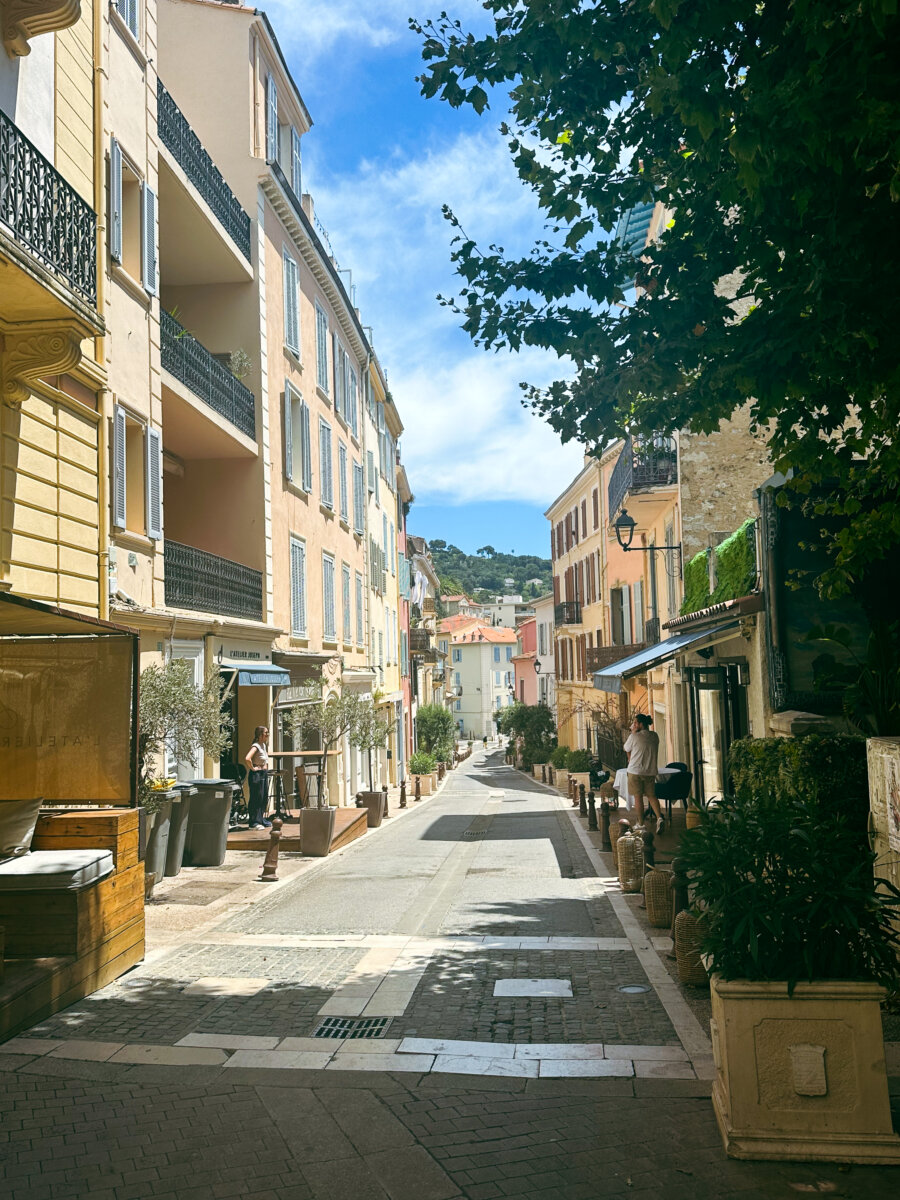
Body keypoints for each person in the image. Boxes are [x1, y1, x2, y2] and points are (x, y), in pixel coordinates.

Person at [623, 713, 664, 832]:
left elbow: (626, 748)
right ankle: (659, 818)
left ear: (641, 724)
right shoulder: (655, 736)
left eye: (636, 723)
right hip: (650, 771)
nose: (634, 725)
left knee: (638, 797)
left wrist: (632, 732)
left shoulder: (634, 736)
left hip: (635, 771)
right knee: (652, 796)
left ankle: (640, 823)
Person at [244, 725, 271, 829]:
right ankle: (254, 822)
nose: (267, 735)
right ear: (260, 735)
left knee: (263, 797)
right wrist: (253, 768)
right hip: (257, 774)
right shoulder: (256, 746)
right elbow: (247, 758)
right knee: (256, 797)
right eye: (266, 733)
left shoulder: (263, 745)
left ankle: (260, 819)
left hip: (263, 773)